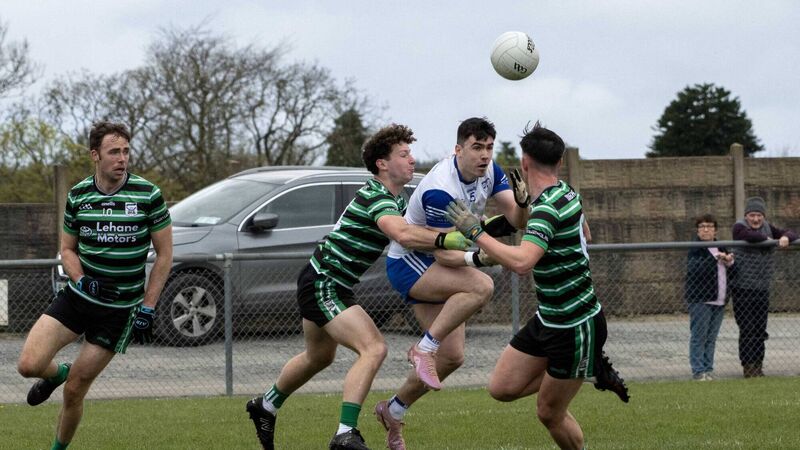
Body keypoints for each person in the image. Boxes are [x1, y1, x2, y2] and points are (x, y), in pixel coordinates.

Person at [245, 124, 472, 450]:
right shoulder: (375, 195)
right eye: (404, 154)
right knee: (374, 348)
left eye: (411, 154)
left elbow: (418, 237)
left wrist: (472, 245)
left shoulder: (400, 198)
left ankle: (265, 405)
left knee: (318, 357)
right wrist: (446, 238)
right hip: (325, 281)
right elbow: (403, 235)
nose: (412, 160)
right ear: (382, 163)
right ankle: (344, 434)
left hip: (326, 280)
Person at [444, 121, 628, 450]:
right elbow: (583, 232)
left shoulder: (547, 208)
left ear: (524, 162)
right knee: (502, 388)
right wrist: (528, 209)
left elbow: (522, 262)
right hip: (549, 319)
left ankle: (585, 365)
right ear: (558, 163)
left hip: (575, 326)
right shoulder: (566, 193)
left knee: (548, 412)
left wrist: (476, 233)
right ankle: (588, 366)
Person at [373, 117, 529, 450]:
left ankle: (393, 409)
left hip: (440, 261)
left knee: (453, 357)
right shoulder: (440, 191)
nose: (484, 155)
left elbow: (515, 221)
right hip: (411, 263)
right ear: (458, 149)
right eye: (476, 147)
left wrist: (524, 205)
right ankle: (422, 349)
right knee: (480, 286)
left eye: (488, 147)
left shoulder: (492, 171)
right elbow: (443, 254)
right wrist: (480, 260)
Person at [16, 121, 173, 450]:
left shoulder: (148, 195)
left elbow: (164, 256)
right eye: (114, 152)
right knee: (28, 365)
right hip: (78, 299)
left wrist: (148, 306)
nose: (122, 158)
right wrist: (82, 281)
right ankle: (56, 373)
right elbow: (68, 250)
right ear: (95, 155)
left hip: (117, 313)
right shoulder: (79, 195)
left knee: (75, 389)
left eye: (126, 151)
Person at [730, 196, 798, 378]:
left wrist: (783, 237)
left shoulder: (768, 227)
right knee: (747, 328)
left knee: (760, 329)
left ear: (763, 216)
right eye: (752, 215)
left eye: (759, 215)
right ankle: (748, 366)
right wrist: (770, 240)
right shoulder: (739, 227)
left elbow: (793, 234)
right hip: (742, 288)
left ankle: (758, 366)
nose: (756, 219)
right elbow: (749, 237)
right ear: (746, 216)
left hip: (762, 288)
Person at [684, 214, 734, 381]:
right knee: (699, 336)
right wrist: (714, 259)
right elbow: (694, 269)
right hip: (701, 300)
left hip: (719, 299)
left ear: (715, 230)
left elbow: (731, 268)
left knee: (711, 338)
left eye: (710, 226)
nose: (706, 229)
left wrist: (729, 260)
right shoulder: (695, 247)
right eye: (702, 226)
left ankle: (708, 369)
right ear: (698, 230)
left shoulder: (721, 246)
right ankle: (698, 371)